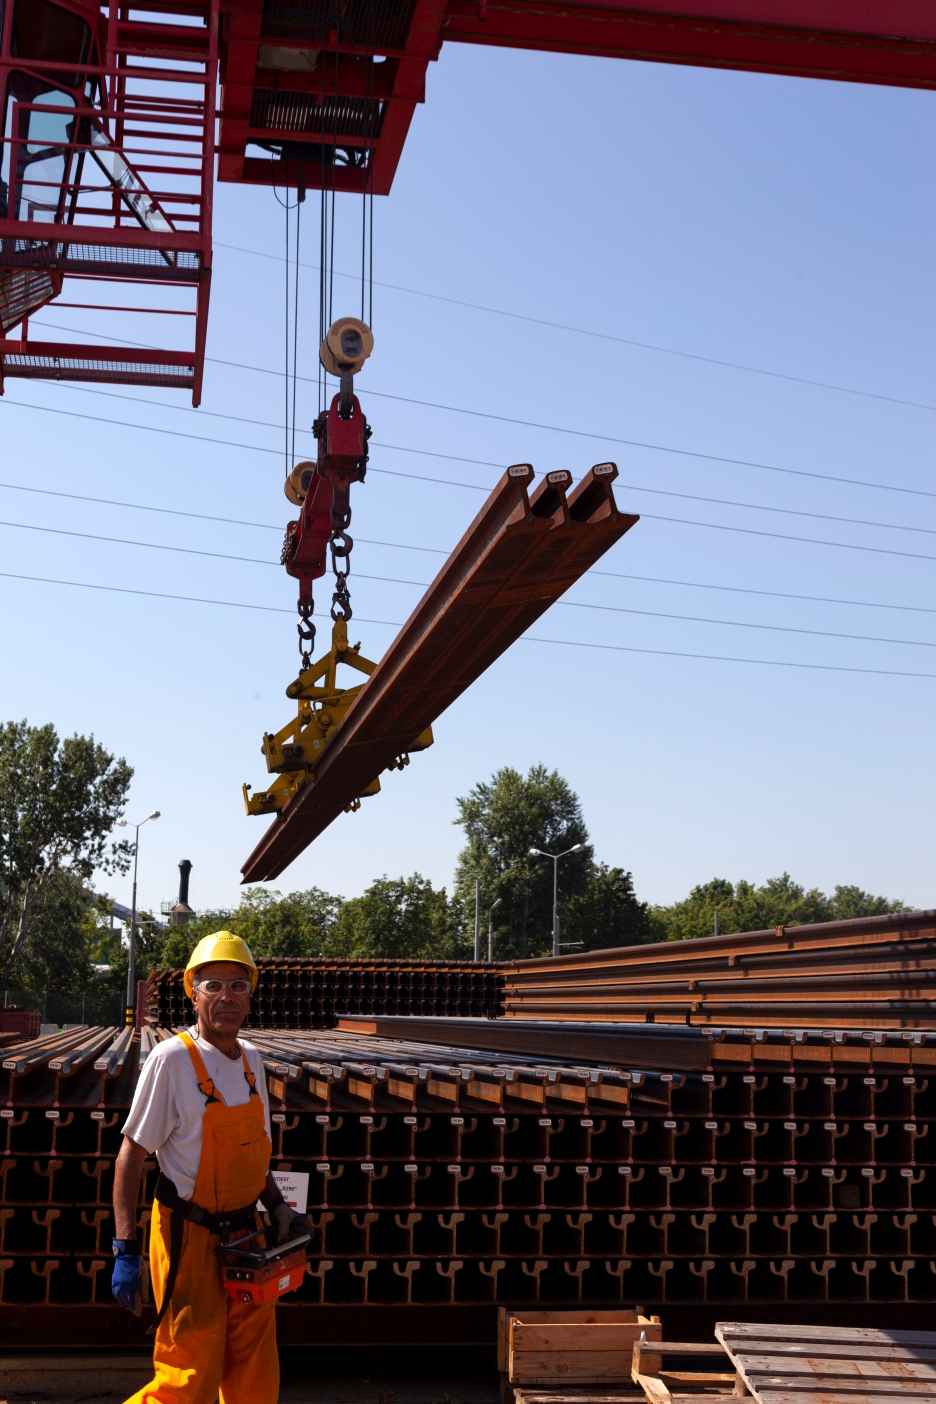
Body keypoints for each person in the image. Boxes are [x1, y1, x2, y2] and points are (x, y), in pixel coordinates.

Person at [111, 932, 307, 1404]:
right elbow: (130, 1157)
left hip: (250, 1241)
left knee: (254, 1374)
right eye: (213, 985)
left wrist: (278, 1206)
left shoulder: (252, 1061)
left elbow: (253, 1152)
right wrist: (125, 1247)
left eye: (238, 985)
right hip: (190, 1239)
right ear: (193, 994)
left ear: (250, 996)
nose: (226, 996)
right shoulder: (172, 1060)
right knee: (187, 1375)